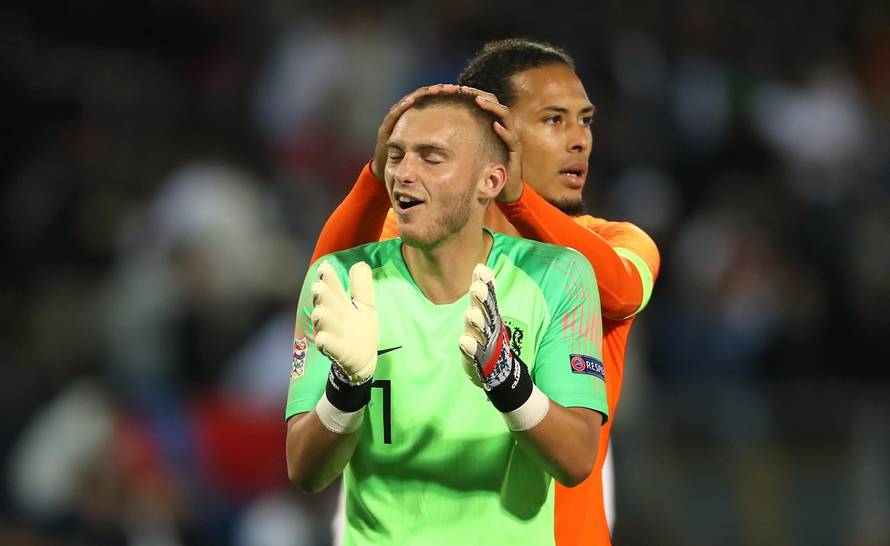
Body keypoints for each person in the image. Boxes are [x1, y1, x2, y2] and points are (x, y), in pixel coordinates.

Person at [310, 38, 661, 546]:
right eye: (553, 120)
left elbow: (622, 291)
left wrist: (517, 199)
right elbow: (330, 276)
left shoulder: (618, 243)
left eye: (584, 120)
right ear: (493, 131)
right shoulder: (408, 244)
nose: (580, 140)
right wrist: (374, 174)